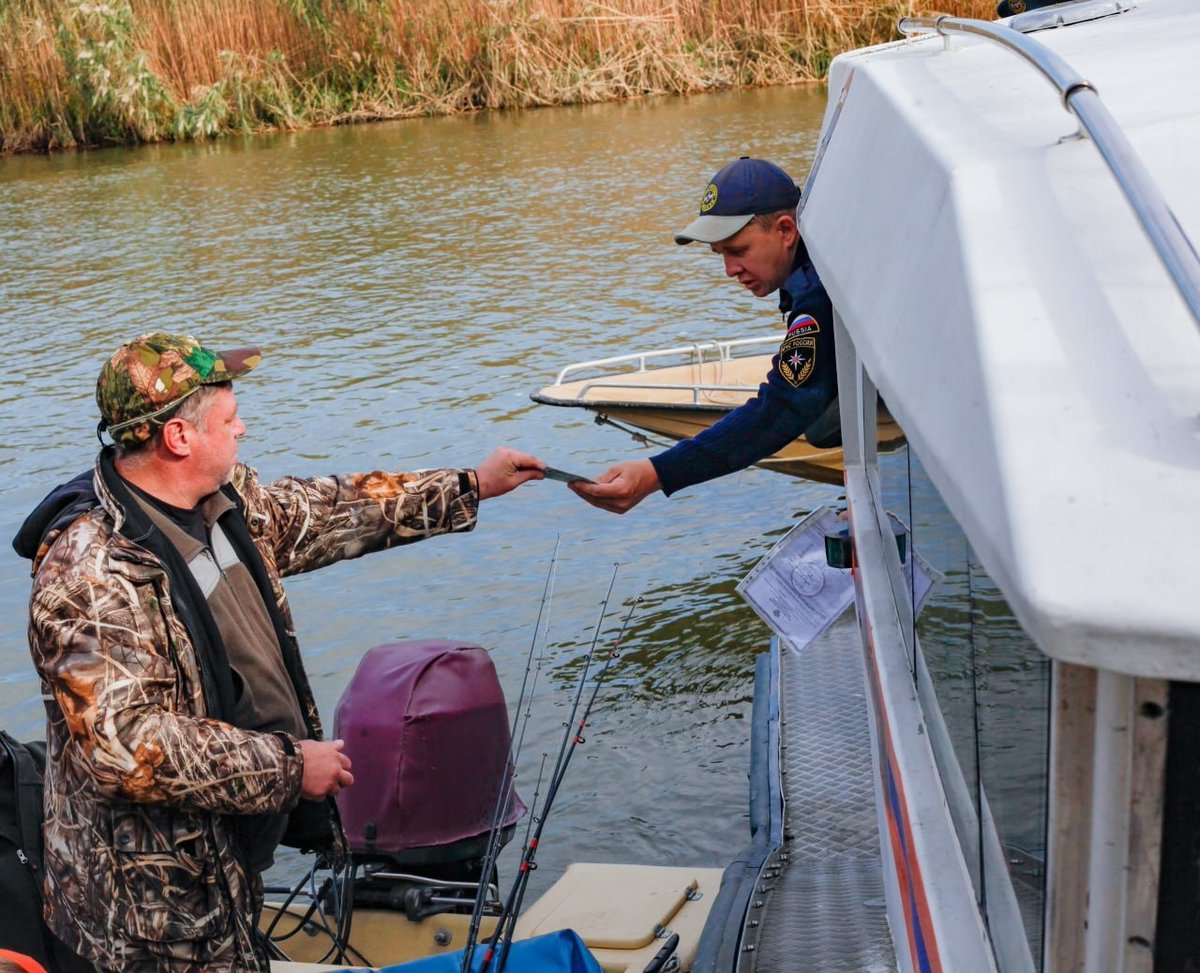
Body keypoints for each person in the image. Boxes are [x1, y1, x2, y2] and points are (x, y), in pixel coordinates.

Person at [16, 333, 545, 972]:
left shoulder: (224, 503)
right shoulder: (90, 572)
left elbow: (332, 510)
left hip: (226, 865)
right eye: (229, 417)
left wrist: (470, 487)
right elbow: (127, 747)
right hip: (146, 918)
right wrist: (290, 768)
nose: (244, 427)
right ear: (179, 438)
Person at [571, 156, 838, 514]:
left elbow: (782, 408)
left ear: (786, 231)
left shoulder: (818, 294)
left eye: (738, 251)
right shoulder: (825, 259)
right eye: (720, 255)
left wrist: (658, 473)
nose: (729, 270)